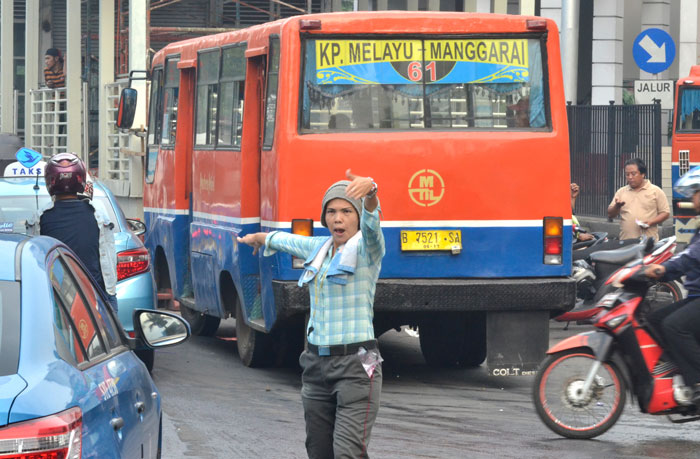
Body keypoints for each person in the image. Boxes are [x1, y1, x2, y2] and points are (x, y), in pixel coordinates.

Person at [237, 169, 384, 458]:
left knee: (347, 453)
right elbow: (287, 241)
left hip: (357, 366)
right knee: (318, 451)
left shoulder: (368, 251)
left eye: (345, 211)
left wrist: (370, 195)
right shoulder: (320, 248)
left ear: (356, 216)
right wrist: (260, 238)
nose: (338, 218)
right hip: (315, 364)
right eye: (331, 212)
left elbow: (372, 226)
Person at [27, 152, 118, 311]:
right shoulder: (98, 214)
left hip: (56, 300)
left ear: (50, 181)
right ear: (81, 179)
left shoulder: (40, 218)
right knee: (111, 336)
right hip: (97, 299)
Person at [645, 165, 700, 405]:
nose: (693, 197)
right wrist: (661, 273)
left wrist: (665, 269)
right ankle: (681, 365)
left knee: (674, 326)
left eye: (696, 191)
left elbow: (692, 257)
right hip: (695, 295)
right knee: (655, 320)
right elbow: (687, 256)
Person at [607, 158, 670, 240]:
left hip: (648, 243)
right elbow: (610, 214)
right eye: (627, 174)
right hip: (626, 243)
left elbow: (665, 213)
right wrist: (617, 206)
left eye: (633, 174)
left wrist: (651, 222)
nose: (630, 177)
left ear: (643, 174)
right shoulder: (621, 192)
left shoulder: (655, 191)